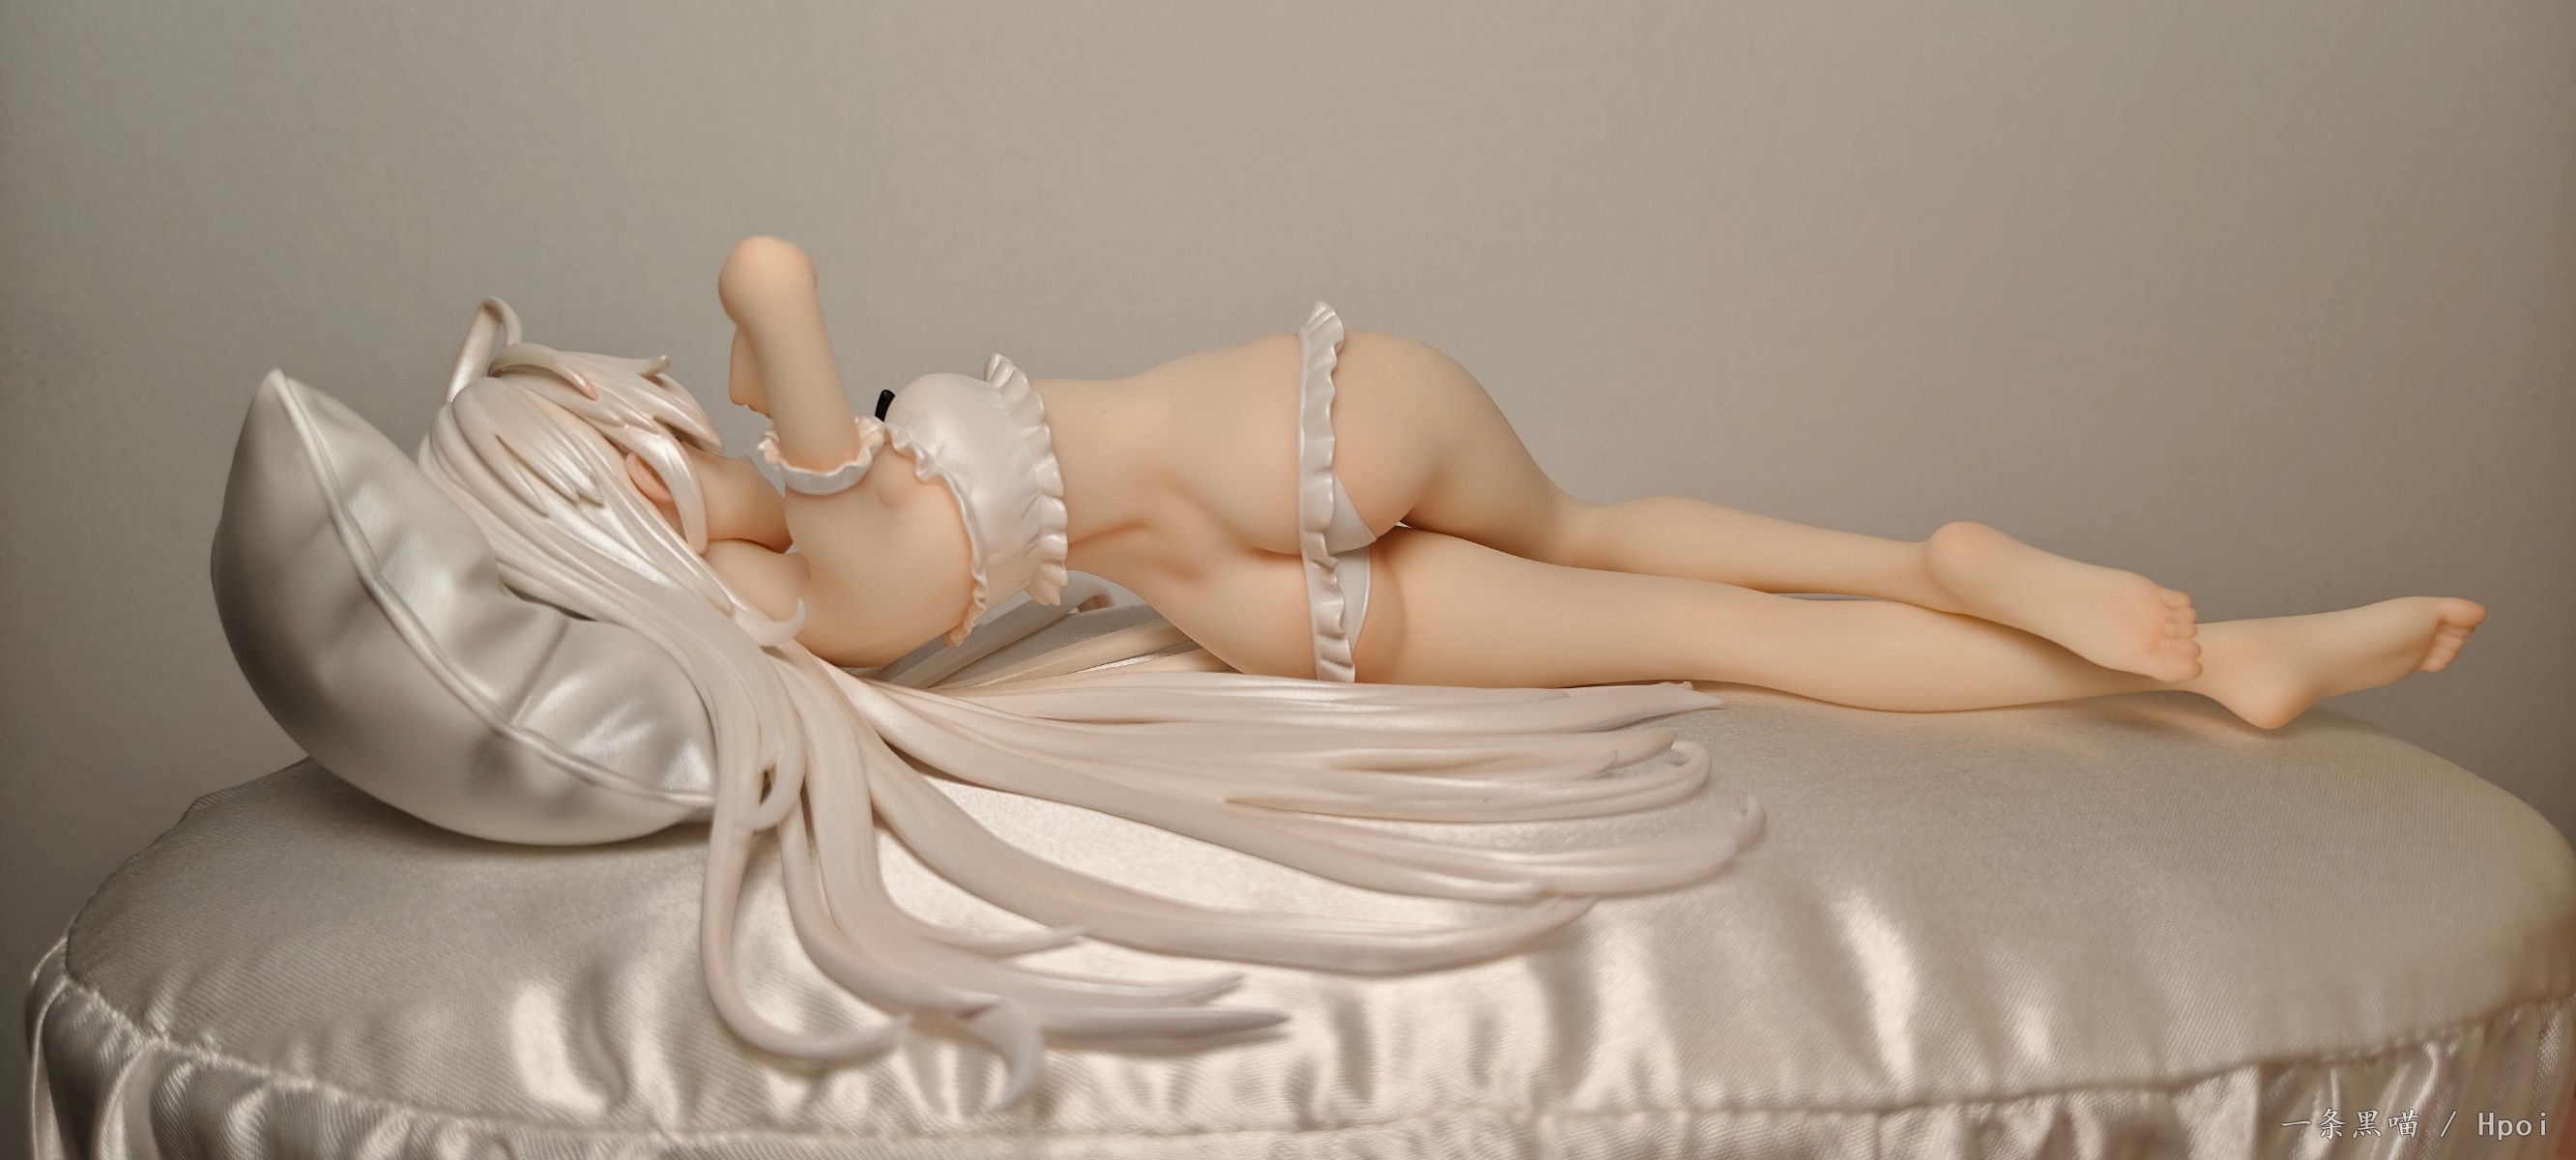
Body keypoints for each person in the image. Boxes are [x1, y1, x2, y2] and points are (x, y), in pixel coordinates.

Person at [678, 235, 2481, 732]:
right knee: (1606, 540)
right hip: (1284, 427)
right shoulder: (819, 538)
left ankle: (2197, 659)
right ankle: (2146, 634)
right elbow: (772, 284)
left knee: (1713, 633)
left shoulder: (806, 572)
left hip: (1263, 599)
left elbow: (763, 425)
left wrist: (686, 458)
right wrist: (700, 433)